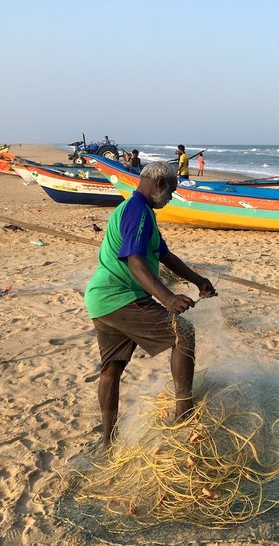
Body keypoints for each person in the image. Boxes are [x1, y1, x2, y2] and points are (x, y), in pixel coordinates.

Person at [84, 161, 217, 446]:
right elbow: (134, 259)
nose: (169, 200)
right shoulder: (137, 210)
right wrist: (167, 298)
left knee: (112, 368)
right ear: (159, 184)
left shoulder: (141, 213)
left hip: (100, 299)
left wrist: (198, 280)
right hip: (121, 297)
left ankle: (108, 440)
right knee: (184, 333)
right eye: (171, 193)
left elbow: (164, 255)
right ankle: (183, 415)